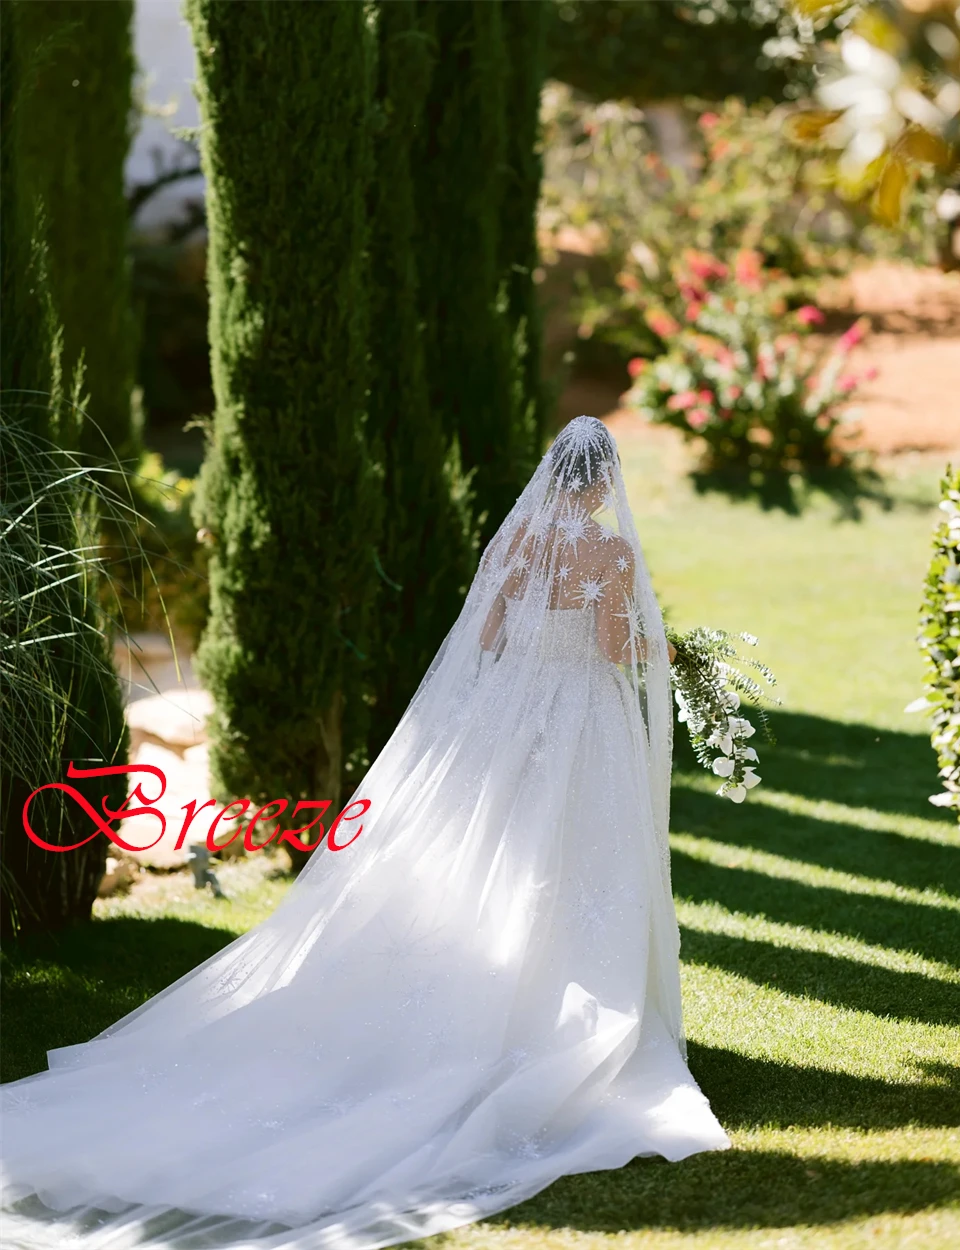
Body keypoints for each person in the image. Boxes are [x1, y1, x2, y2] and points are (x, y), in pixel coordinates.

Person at [0, 416, 729, 1250]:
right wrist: (670, 651)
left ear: (553, 474)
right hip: (578, 720)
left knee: (497, 854)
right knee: (576, 860)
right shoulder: (608, 554)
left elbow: (485, 637)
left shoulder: (518, 540)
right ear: (602, 483)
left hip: (508, 719)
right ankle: (558, 1003)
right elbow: (611, 643)